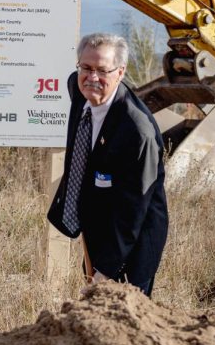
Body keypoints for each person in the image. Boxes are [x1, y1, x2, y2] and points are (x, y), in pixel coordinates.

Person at [47, 32, 168, 295]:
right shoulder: (81, 92)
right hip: (97, 219)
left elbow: (132, 212)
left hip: (133, 239)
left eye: (102, 70)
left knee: (123, 314)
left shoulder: (137, 131)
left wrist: (106, 270)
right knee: (94, 308)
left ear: (120, 72)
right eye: (86, 67)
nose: (92, 78)